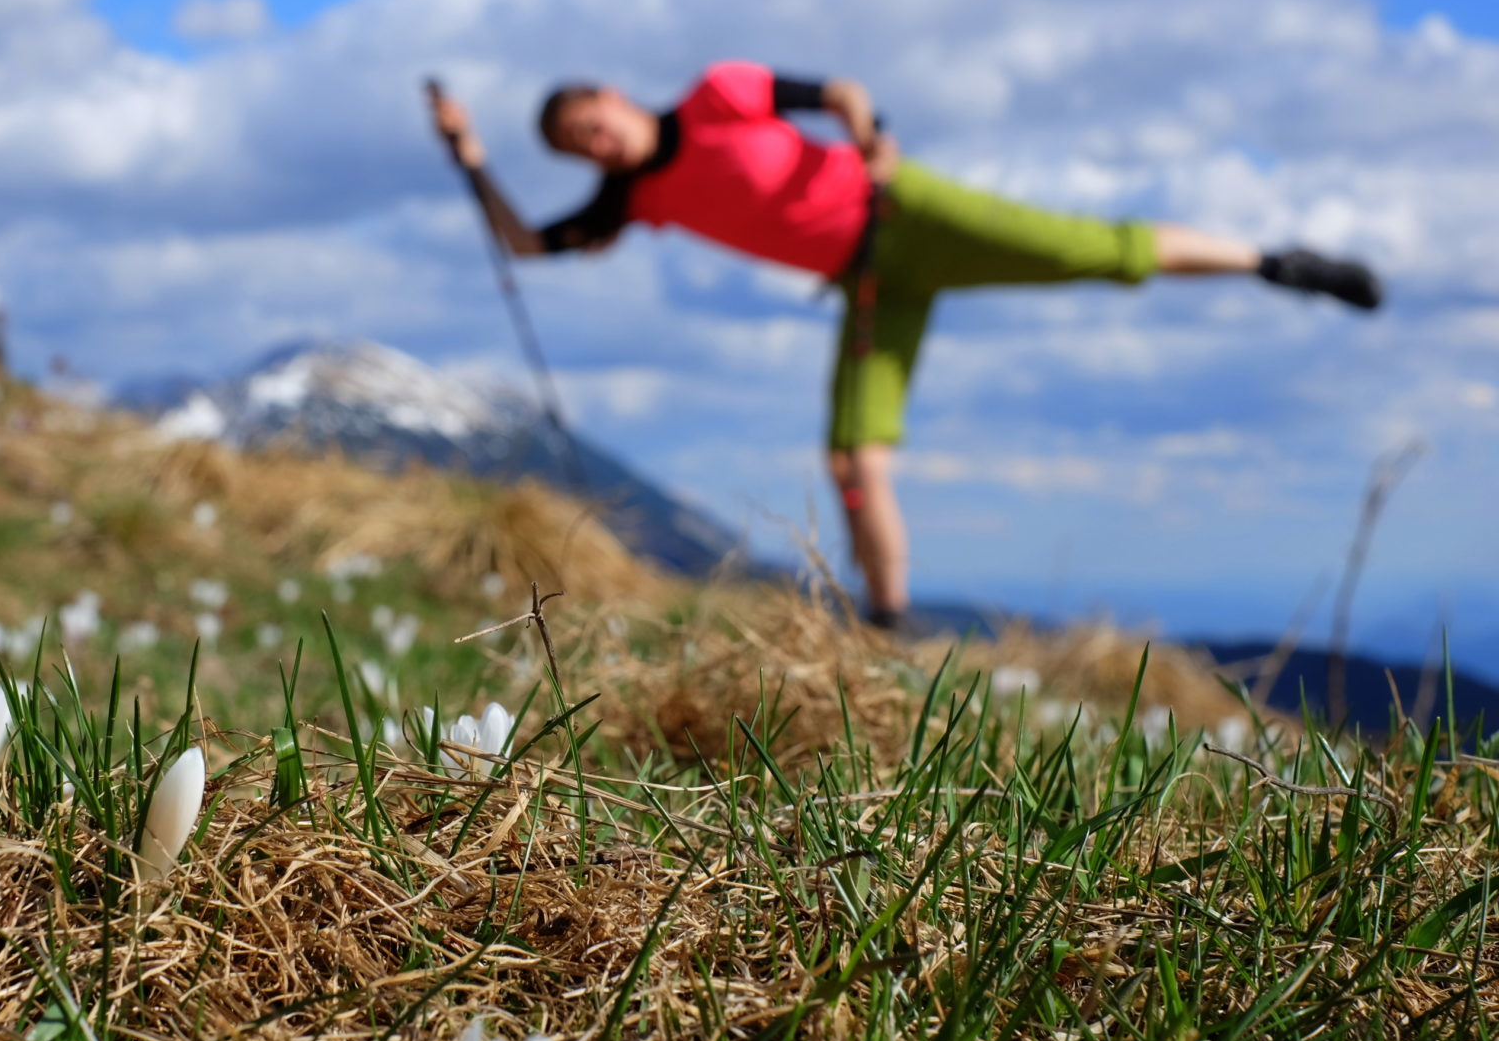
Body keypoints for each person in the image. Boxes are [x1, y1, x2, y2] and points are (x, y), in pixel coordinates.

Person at [426, 62, 1382, 630]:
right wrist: (470, 157)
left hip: (908, 212)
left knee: (1095, 251)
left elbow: (836, 88)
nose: (593, 146)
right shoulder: (631, 199)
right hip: (869, 280)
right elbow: (524, 244)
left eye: (590, 126)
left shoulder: (718, 96)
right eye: (576, 148)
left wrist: (871, 135)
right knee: (850, 453)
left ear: (614, 98)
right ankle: (889, 626)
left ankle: (1275, 263)